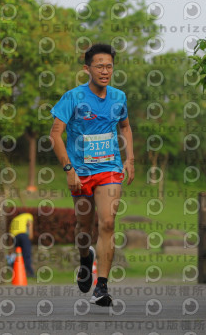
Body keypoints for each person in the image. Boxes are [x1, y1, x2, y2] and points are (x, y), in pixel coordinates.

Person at [49, 43, 134, 306]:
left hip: (109, 169)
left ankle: (102, 286)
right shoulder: (73, 97)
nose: (105, 71)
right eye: (99, 66)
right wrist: (68, 169)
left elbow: (125, 127)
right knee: (84, 226)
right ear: (87, 69)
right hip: (80, 172)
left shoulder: (118, 97)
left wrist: (130, 159)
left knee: (107, 223)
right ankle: (85, 258)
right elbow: (55, 135)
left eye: (109, 66)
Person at [9, 212, 35, 277]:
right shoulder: (28, 215)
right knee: (27, 254)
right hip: (23, 235)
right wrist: (31, 236)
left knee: (17, 255)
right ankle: (30, 272)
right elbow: (30, 224)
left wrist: (10, 248)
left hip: (15, 237)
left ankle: (16, 271)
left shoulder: (14, 219)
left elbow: (10, 236)